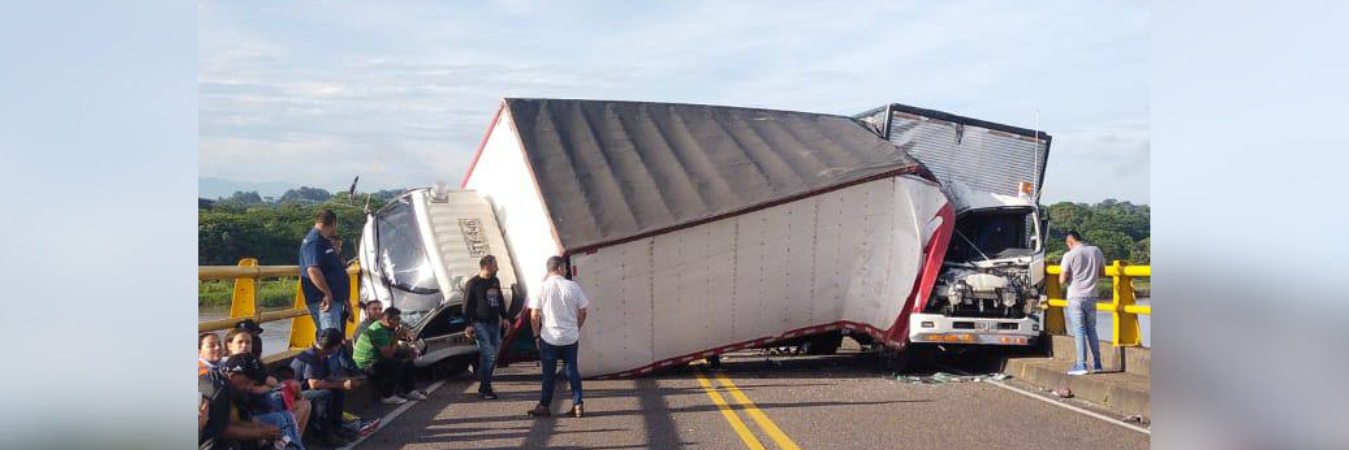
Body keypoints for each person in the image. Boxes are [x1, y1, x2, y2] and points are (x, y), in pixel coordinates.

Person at [527, 256, 589, 418]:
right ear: (560, 268)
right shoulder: (573, 286)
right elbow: (583, 311)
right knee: (572, 370)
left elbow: (534, 315)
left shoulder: (541, 288)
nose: (567, 270)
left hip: (550, 337)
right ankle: (578, 404)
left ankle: (544, 405)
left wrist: (536, 336)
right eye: (565, 267)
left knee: (549, 373)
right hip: (570, 337)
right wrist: (576, 327)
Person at [291, 328, 360, 446]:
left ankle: (336, 428)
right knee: (324, 394)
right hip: (294, 394)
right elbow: (314, 384)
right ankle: (325, 435)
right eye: (338, 345)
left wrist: (346, 382)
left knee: (338, 390)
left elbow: (328, 378)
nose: (338, 348)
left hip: (306, 390)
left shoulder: (323, 355)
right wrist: (341, 384)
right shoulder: (311, 356)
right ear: (333, 346)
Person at [199, 353, 284, 450]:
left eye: (253, 382)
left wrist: (260, 427)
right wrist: (261, 432)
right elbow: (223, 430)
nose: (250, 387)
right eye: (248, 381)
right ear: (233, 374)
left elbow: (232, 421)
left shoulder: (222, 381)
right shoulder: (217, 391)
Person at [352, 307, 428, 405]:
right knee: (396, 363)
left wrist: (407, 335)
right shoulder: (379, 330)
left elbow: (397, 338)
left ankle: (409, 391)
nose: (399, 322)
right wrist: (396, 337)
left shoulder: (388, 326)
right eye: (397, 319)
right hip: (367, 364)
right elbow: (388, 354)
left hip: (378, 356)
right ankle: (387, 396)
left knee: (407, 355)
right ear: (388, 320)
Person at [1059, 231, 1107, 375]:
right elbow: (1102, 273)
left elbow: (1062, 279)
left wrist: (1068, 278)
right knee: (1092, 330)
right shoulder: (1096, 250)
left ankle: (1081, 365)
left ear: (1070, 242)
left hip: (1075, 296)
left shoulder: (1069, 255)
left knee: (1079, 331)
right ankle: (1097, 364)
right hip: (1092, 296)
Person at [463, 255, 511, 399]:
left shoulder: (495, 281)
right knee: (488, 355)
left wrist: (505, 317)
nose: (497, 268)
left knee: (492, 356)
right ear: (486, 266)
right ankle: (486, 388)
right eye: (495, 265)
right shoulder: (473, 283)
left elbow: (500, 299)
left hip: (494, 323)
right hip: (479, 323)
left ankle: (484, 386)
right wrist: (467, 325)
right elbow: (466, 306)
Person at [299, 209, 348, 338]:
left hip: (332, 298)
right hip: (323, 300)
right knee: (330, 339)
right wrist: (327, 292)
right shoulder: (314, 241)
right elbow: (312, 270)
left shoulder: (322, 240)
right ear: (333, 223)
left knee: (328, 338)